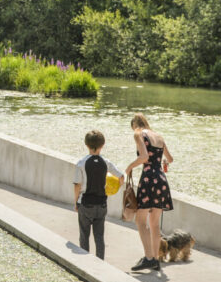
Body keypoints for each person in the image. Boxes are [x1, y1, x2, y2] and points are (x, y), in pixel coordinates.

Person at [124, 112, 173, 272]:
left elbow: (144, 157)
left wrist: (129, 167)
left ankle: (148, 258)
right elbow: (170, 159)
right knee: (154, 224)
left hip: (148, 179)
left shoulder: (138, 134)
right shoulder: (158, 136)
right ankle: (156, 259)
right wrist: (161, 161)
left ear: (135, 125)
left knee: (140, 221)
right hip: (161, 179)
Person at [73, 130, 125, 260]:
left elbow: (77, 185)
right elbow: (121, 177)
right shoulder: (106, 162)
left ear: (86, 145)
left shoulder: (81, 163)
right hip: (101, 204)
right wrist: (111, 188)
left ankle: (85, 261)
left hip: (85, 203)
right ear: (102, 145)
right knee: (99, 236)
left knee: (84, 234)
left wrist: (76, 202)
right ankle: (100, 261)